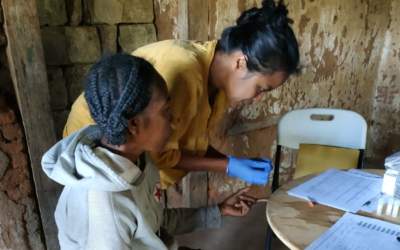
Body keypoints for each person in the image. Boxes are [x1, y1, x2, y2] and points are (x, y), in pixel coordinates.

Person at [62, 0, 300, 188]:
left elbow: (187, 144)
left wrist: (232, 163)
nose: (258, 97)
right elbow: (160, 155)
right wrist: (227, 165)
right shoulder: (184, 72)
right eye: (261, 88)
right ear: (240, 63)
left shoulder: (219, 85)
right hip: (100, 159)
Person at [42, 54, 256, 250]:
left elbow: (155, 224)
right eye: (166, 111)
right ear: (134, 125)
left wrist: (217, 211)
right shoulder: (104, 206)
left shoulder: (138, 159)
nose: (175, 120)